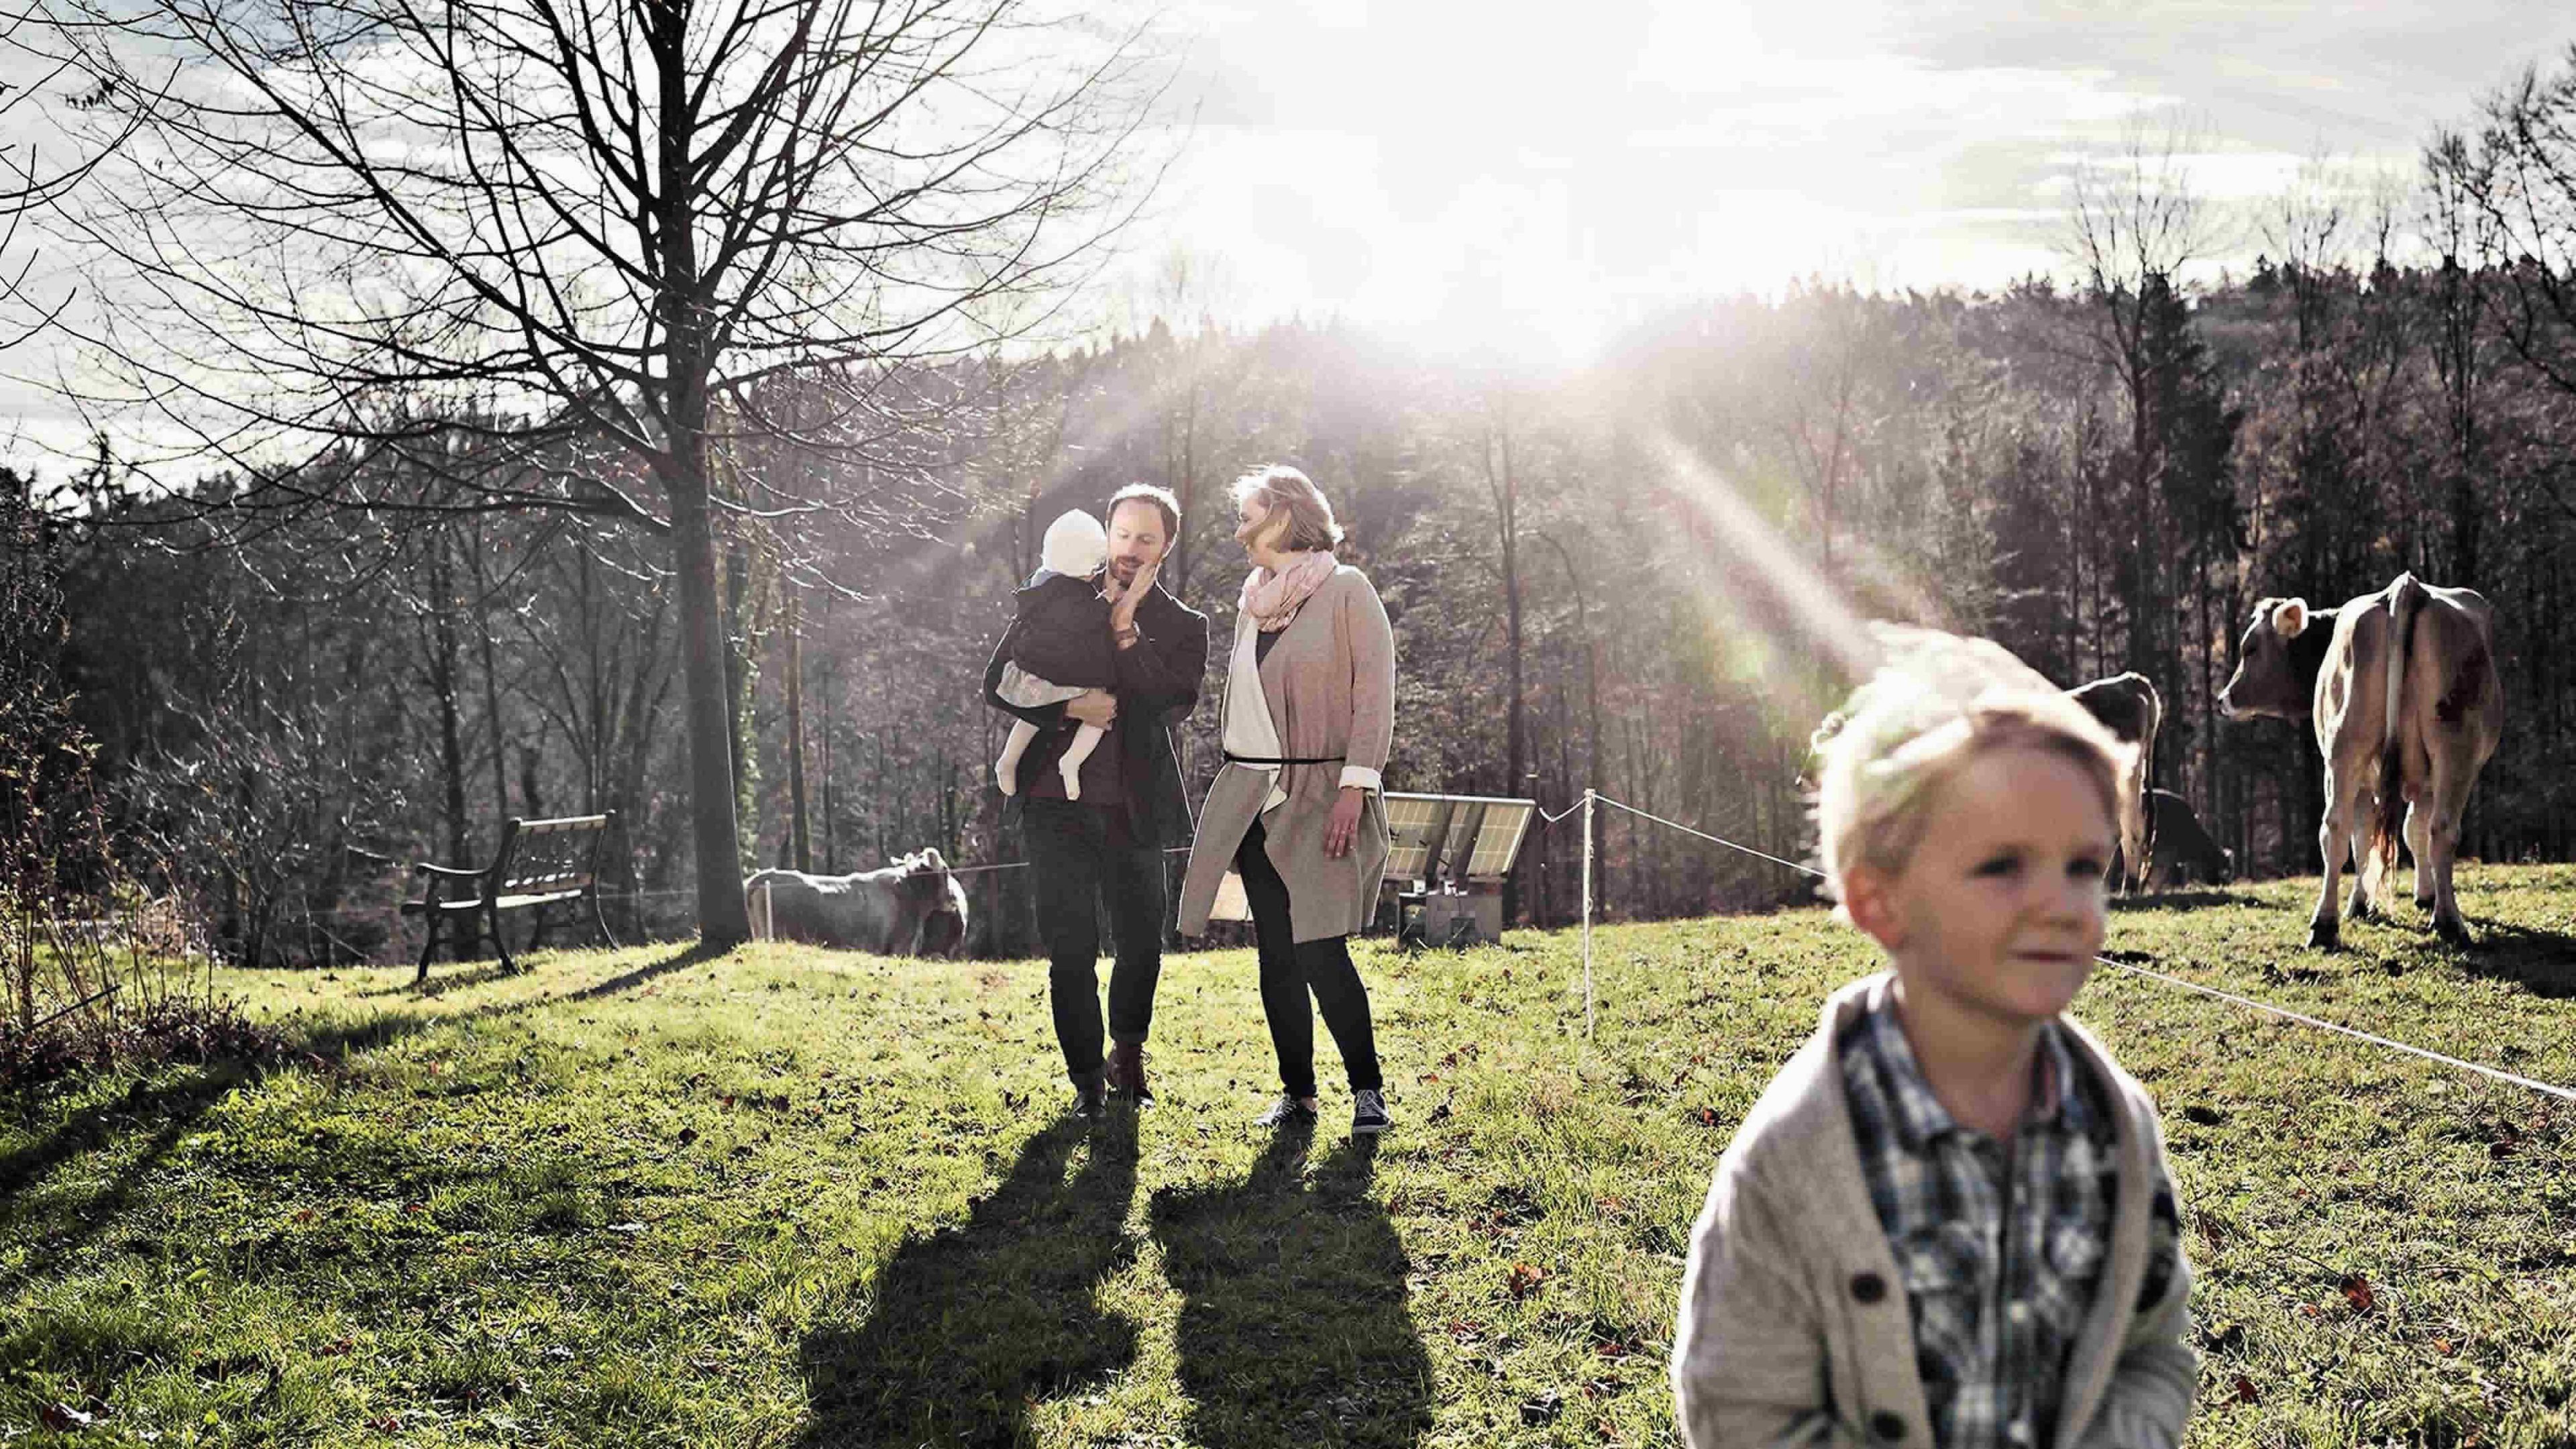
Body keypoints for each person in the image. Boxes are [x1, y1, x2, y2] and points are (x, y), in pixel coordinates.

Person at [1671, 627, 2195, 1449]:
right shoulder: (1795, 1160)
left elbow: (2153, 1351)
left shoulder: (2116, 1128)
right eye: (2001, 866)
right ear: (1881, 903)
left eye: (2084, 868)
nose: (2060, 904)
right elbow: (1741, 1407)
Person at [1176, 465, 1396, 1136]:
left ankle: (1367, 1095)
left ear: (1282, 517)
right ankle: (1298, 1097)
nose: (1239, 530)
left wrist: (1354, 789)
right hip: (1256, 798)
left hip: (1324, 793)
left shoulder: (1347, 591)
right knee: (1275, 952)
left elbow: (1373, 695)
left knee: (1321, 948)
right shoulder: (1255, 602)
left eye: (1248, 515)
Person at [983, 484, 1207, 1117]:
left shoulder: (1185, 627)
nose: (1132, 549)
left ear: (1166, 547)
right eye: (1124, 534)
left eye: (1147, 538)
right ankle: (1085, 1081)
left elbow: (1169, 701)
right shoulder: (1056, 591)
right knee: (1071, 947)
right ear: (1105, 533)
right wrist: (1069, 704)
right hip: (1053, 804)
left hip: (1133, 804)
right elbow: (998, 681)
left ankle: (1127, 1057)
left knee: (1141, 941)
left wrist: (1126, 627)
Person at [994, 509, 1114, 801]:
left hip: (1039, 667)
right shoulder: (1070, 592)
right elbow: (1082, 620)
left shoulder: (1041, 583)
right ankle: (1071, 760)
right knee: (1102, 710)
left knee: (1034, 717)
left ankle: (1011, 760)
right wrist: (1107, 603)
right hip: (1062, 669)